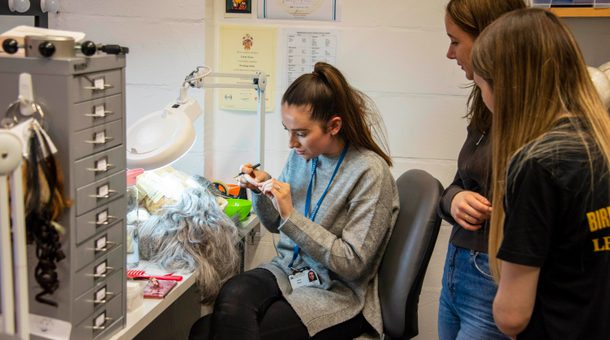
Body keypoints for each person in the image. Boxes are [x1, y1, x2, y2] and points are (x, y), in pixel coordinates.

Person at [189, 62, 399, 340]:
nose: (291, 143)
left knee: (208, 333)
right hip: (288, 270)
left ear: (334, 126)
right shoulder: (302, 156)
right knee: (231, 296)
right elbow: (276, 225)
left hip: (338, 292)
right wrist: (260, 192)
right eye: (288, 130)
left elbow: (353, 263)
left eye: (300, 133)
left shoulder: (370, 172)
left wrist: (291, 215)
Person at [471, 8, 610, 339]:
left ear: (505, 87)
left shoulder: (539, 164)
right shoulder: (600, 144)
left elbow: (512, 316)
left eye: (481, 86)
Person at [437, 1, 526, 339]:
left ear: (490, 39)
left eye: (455, 41)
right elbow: (457, 183)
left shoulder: (529, 121)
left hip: (493, 275)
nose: (449, 53)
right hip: (458, 268)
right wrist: (454, 200)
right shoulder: (485, 103)